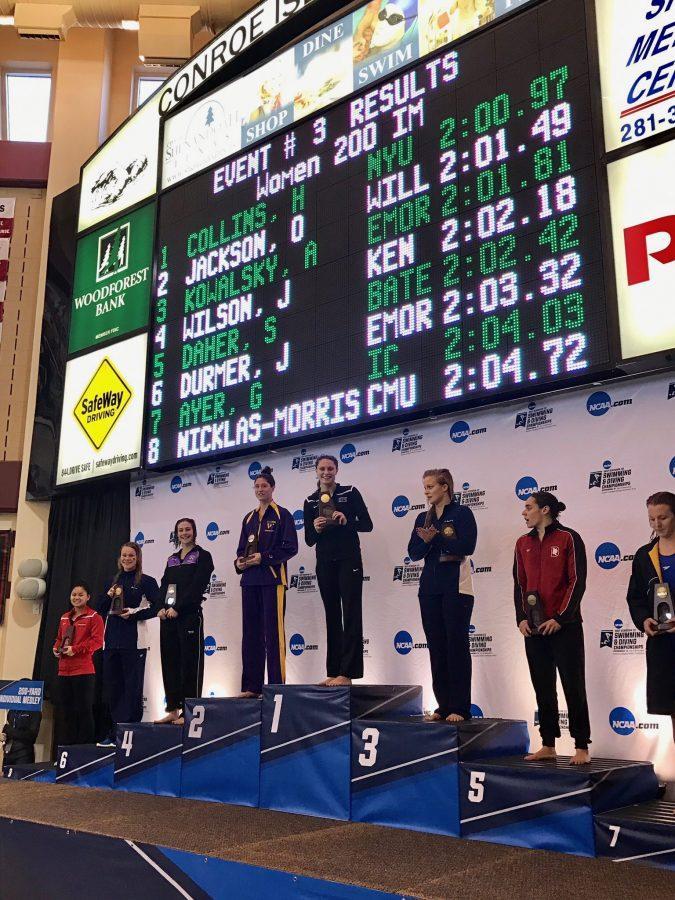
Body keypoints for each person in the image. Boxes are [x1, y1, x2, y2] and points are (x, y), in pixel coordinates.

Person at [513, 492, 590, 765]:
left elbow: (576, 581)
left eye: (528, 507)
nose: (524, 512)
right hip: (534, 629)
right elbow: (520, 584)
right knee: (542, 687)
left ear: (545, 510)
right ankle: (548, 744)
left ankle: (581, 745)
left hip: (564, 627)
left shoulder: (568, 537)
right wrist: (521, 618)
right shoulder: (523, 543)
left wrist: (561, 617)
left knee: (573, 686)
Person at [408, 469, 477, 722]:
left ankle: (460, 707)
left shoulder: (462, 513)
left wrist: (437, 539)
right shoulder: (422, 517)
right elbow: (414, 552)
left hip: (456, 587)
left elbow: (467, 547)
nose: (426, 491)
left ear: (445, 487)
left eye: (430, 487)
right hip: (429, 588)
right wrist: (427, 541)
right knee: (436, 646)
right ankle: (443, 705)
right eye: (424, 487)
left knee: (456, 645)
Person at [304, 454, 373, 685]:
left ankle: (348, 673)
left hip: (349, 559)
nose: (326, 472)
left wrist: (346, 519)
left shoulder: (350, 492)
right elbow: (309, 540)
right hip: (324, 562)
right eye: (322, 468)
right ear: (316, 471)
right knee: (331, 615)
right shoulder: (310, 501)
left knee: (351, 613)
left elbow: (367, 524)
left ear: (337, 470)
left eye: (330, 468)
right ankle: (334, 670)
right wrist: (315, 527)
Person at [234, 466, 298, 698]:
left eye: (264, 486)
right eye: (257, 486)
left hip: (273, 581)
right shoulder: (248, 518)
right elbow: (241, 549)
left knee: (273, 635)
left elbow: (291, 547)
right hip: (249, 581)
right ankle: (251, 687)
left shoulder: (283, 514)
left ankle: (275, 687)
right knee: (250, 635)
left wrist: (265, 558)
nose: (261, 489)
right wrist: (239, 563)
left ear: (272, 488)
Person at [95, 541, 160, 746]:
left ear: (138, 558)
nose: (127, 559)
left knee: (132, 687)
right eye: (124, 555)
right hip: (111, 641)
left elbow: (157, 607)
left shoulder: (146, 581)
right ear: (119, 558)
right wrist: (108, 595)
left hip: (134, 642)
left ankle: (131, 732)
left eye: (131, 555)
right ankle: (115, 732)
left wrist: (132, 615)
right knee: (114, 688)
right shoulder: (112, 581)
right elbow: (99, 608)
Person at [627, 492, 675, 742]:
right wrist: (644, 620)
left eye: (663, 517)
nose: (657, 524)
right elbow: (635, 597)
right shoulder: (645, 555)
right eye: (652, 519)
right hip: (664, 644)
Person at [156, 519, 214, 725]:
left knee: (190, 664)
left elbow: (197, 586)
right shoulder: (171, 558)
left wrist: (177, 608)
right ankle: (172, 708)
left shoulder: (203, 556)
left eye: (187, 529)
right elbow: (164, 585)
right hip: (168, 618)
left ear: (195, 531)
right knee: (170, 663)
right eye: (180, 530)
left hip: (188, 616)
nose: (184, 533)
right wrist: (160, 608)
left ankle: (189, 712)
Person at [52, 581, 104, 745]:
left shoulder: (94, 617)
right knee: (65, 712)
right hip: (64, 670)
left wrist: (76, 649)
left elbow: (97, 642)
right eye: (74, 594)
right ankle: (66, 749)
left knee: (83, 711)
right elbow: (60, 638)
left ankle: (84, 750)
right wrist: (56, 648)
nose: (77, 597)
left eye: (80, 594)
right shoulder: (64, 617)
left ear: (88, 597)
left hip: (83, 671)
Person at [1, 692, 42, 766]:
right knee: (5, 776)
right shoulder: (12, 711)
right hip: (8, 752)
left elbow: (31, 736)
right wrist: (4, 734)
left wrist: (10, 731)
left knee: (20, 776)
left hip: (24, 753)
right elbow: (7, 728)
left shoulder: (35, 712)